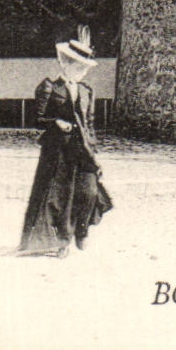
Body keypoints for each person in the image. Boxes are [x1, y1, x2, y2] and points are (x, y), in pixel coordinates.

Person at [19, 38, 113, 256]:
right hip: (58, 151)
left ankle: (82, 231)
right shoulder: (49, 88)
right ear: (64, 63)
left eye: (85, 68)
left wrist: (93, 149)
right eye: (77, 66)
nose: (82, 72)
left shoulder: (87, 90)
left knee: (89, 192)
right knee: (61, 196)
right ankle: (62, 241)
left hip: (83, 151)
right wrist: (55, 123)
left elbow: (89, 124)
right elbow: (37, 119)